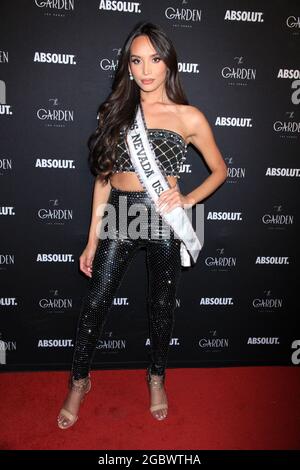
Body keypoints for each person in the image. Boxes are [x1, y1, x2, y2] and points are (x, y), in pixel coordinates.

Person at [57, 21, 227, 429]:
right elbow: (102, 179)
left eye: (154, 59)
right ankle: (79, 382)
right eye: (137, 60)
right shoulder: (114, 110)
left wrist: (187, 198)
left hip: (165, 217)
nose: (146, 69)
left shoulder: (189, 116)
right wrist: (91, 240)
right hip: (120, 212)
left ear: (169, 63)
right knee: (95, 303)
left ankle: (156, 377)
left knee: (161, 306)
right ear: (128, 66)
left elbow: (220, 170)